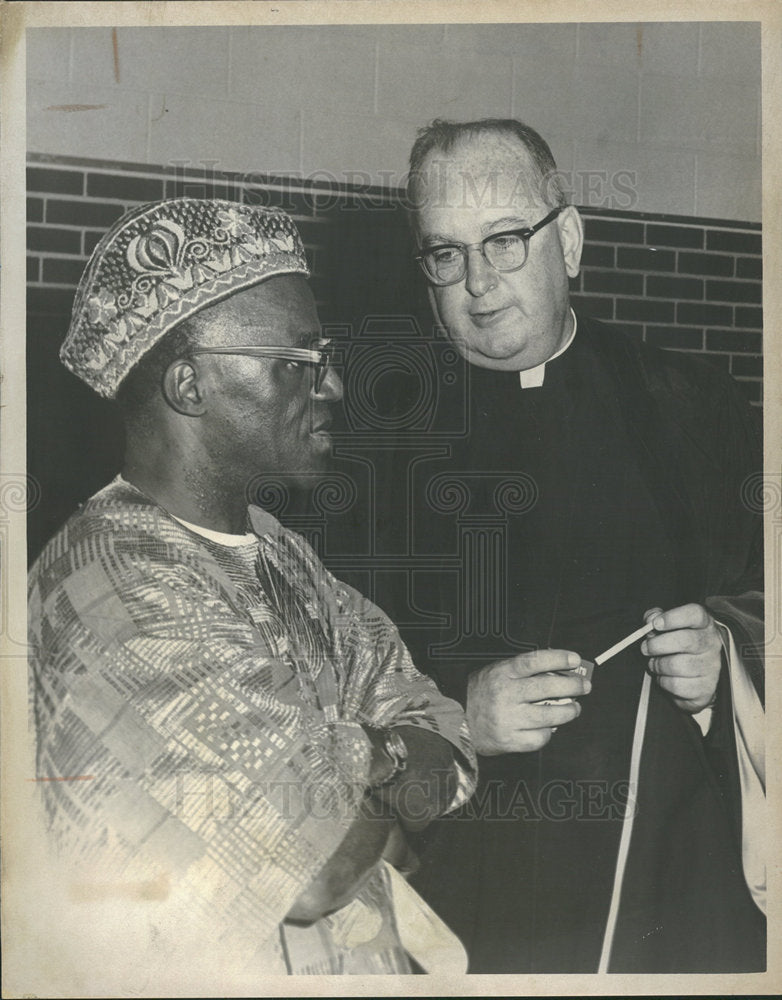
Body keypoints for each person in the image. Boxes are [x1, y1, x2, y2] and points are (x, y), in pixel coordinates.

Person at [27, 198, 478, 980]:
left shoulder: (283, 555)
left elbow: (448, 739)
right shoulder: (111, 586)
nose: (333, 384)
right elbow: (313, 869)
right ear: (190, 386)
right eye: (296, 363)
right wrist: (382, 772)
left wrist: (368, 761)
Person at [395, 118, 766, 973]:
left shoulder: (694, 405)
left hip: (671, 870)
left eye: (505, 242)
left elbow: (763, 591)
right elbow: (323, 687)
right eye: (445, 254)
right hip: (465, 879)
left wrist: (726, 662)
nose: (479, 285)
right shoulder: (364, 441)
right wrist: (457, 717)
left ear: (567, 239)